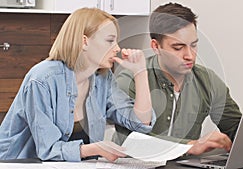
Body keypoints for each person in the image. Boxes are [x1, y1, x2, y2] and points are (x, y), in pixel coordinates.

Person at [113, 2, 243, 155]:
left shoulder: (208, 81)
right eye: (178, 47)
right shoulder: (131, 78)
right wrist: (189, 146)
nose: (189, 55)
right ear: (156, 46)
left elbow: (236, 132)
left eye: (194, 45)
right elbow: (129, 140)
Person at [0, 7, 156, 162]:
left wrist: (140, 73)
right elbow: (48, 150)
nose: (117, 48)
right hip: (17, 163)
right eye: (110, 40)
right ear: (84, 42)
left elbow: (140, 123)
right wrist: (96, 148)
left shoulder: (103, 78)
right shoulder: (42, 79)